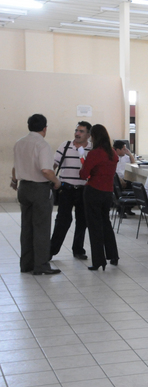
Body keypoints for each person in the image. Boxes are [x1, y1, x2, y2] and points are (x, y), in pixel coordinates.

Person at [11, 114, 62, 275]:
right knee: (41, 228)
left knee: (27, 227)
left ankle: (26, 264)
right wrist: (56, 181)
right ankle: (41, 265)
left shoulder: (19, 143)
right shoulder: (42, 145)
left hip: (24, 188)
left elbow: (15, 167)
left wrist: (14, 181)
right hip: (39, 189)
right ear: (45, 128)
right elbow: (46, 170)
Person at [50, 121, 92, 260]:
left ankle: (78, 249)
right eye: (76, 130)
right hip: (66, 189)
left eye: (81, 131)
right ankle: (51, 250)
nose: (77, 133)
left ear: (88, 135)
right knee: (62, 220)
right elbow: (54, 164)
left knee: (82, 221)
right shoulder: (65, 145)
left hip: (83, 190)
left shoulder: (92, 149)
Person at [79, 124, 119, 271]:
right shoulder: (113, 153)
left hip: (93, 191)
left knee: (94, 226)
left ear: (94, 137)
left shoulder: (94, 153)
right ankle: (113, 255)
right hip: (108, 192)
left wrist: (82, 163)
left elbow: (84, 174)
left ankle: (98, 260)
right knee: (106, 223)